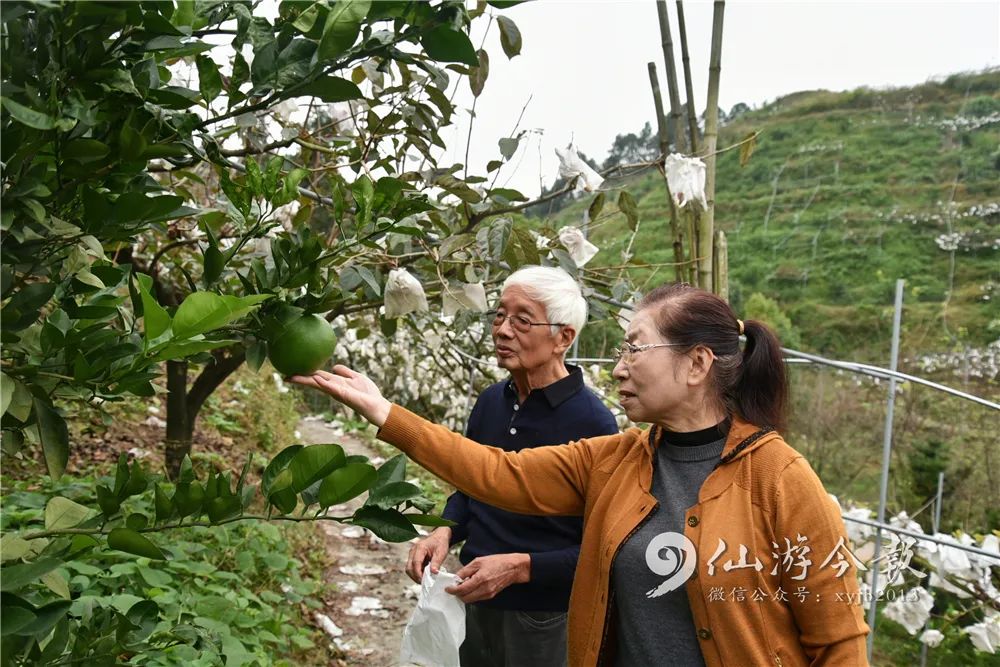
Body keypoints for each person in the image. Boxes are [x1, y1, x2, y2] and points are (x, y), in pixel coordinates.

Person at [291, 282, 870, 667]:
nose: (618, 368)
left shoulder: (781, 479)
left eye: (635, 350)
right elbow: (493, 472)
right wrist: (383, 412)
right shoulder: (614, 458)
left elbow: (839, 640)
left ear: (696, 363)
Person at [405, 266, 618, 667]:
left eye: (522, 320)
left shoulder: (593, 424)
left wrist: (522, 567)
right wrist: (444, 531)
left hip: (542, 616)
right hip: (473, 598)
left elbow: (602, 545)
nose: (502, 330)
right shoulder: (491, 401)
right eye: (500, 316)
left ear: (564, 338)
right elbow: (471, 488)